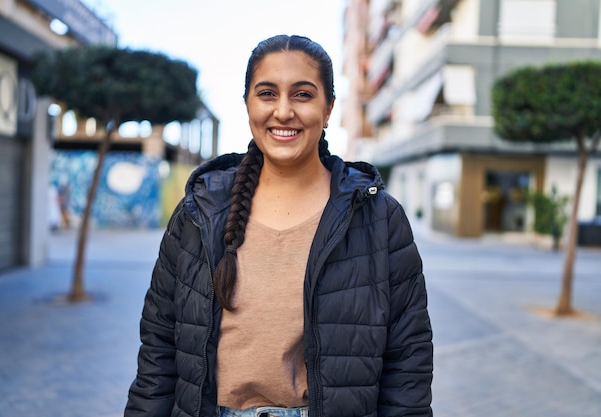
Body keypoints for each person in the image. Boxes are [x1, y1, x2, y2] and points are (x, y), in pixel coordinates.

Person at [124, 34, 433, 417]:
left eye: (302, 95)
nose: (283, 111)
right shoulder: (198, 213)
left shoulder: (379, 219)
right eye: (267, 93)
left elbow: (408, 363)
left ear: (329, 108)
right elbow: (157, 353)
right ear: (248, 104)